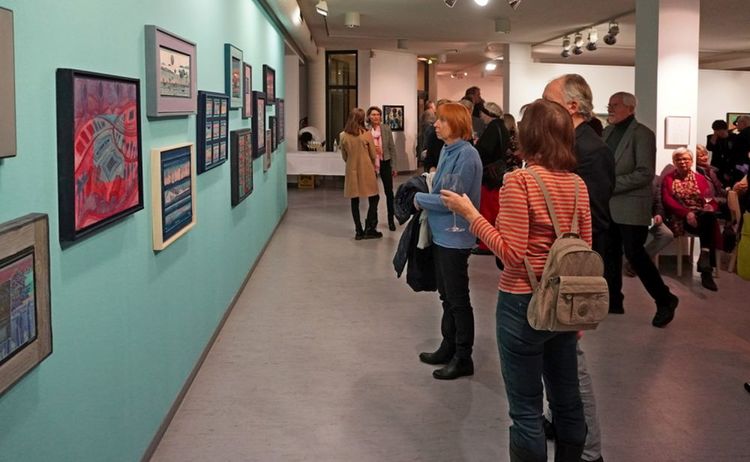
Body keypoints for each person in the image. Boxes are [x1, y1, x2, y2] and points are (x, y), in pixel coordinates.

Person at [442, 98, 590, 462]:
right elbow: (585, 252)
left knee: (526, 411)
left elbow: (511, 253)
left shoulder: (520, 181)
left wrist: (471, 214)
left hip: (523, 303)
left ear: (529, 135)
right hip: (565, 303)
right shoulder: (577, 185)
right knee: (567, 402)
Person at [542, 73, 612, 462]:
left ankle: (590, 451)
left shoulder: (592, 151)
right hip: (561, 273)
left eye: (548, 99)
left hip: (573, 275)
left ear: (571, 106)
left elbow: (594, 224)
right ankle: (560, 419)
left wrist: (580, 287)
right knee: (559, 359)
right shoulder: (572, 145)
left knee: (574, 364)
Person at [414, 102, 482, 381]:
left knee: (457, 299)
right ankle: (448, 345)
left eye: (441, 120)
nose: (436, 125)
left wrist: (418, 199)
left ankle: (463, 356)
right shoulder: (447, 150)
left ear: (454, 123)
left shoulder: (467, 155)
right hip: (442, 233)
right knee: (446, 296)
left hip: (456, 236)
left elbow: (451, 200)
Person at [603, 91, 679, 327]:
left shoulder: (643, 134)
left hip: (631, 205)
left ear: (630, 107)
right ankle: (613, 300)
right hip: (610, 206)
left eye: (615, 105)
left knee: (635, 255)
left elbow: (644, 173)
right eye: (609, 105)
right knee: (610, 254)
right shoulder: (607, 132)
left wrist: (610, 185)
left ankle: (665, 299)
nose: (610, 108)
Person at [661, 147, 720, 291]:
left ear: (692, 161)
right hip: (680, 218)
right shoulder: (669, 179)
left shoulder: (700, 178)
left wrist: (710, 207)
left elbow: (709, 199)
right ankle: (706, 271)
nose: (682, 162)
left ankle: (704, 257)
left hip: (700, 217)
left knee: (709, 216)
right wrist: (687, 213)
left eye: (686, 159)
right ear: (674, 162)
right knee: (710, 224)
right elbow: (668, 201)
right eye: (679, 159)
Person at [473, 102, 510, 255]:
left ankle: (486, 244)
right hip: (498, 174)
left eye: (483, 113)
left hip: (490, 175)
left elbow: (484, 151)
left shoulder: (493, 128)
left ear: (489, 113)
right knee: (494, 208)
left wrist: (476, 147)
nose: (481, 116)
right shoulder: (502, 126)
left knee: (488, 210)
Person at [340, 108, 382, 240]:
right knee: (374, 198)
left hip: (352, 170)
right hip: (367, 169)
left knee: (355, 200)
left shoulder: (343, 135)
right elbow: (373, 154)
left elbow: (344, 156)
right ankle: (369, 228)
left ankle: (358, 231)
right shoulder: (366, 134)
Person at [367, 106, 398, 231]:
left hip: (385, 162)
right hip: (371, 164)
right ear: (369, 117)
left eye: (378, 114)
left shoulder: (386, 128)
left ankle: (391, 220)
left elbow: (392, 148)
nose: (376, 117)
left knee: (389, 192)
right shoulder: (366, 130)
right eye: (373, 114)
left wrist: (394, 166)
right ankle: (373, 221)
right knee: (373, 193)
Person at [423, 99, 451, 172]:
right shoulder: (433, 135)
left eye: (442, 119)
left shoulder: (465, 150)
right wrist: (433, 171)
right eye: (438, 116)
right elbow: (429, 160)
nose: (435, 124)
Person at [706, 119, 735, 187]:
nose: (718, 132)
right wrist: (715, 136)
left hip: (730, 165)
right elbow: (709, 148)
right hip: (716, 164)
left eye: (720, 130)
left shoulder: (733, 137)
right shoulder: (711, 137)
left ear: (725, 129)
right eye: (716, 131)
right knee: (716, 183)